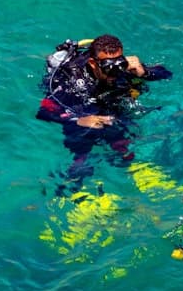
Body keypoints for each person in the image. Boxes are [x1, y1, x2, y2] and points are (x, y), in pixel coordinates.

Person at [36, 34, 172, 194]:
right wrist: (78, 120)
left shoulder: (120, 68)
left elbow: (166, 74)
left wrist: (143, 73)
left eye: (120, 64)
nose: (115, 73)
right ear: (93, 63)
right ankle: (73, 187)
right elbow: (43, 112)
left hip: (108, 106)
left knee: (122, 137)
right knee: (82, 147)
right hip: (80, 113)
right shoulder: (71, 80)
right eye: (109, 68)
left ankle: (131, 171)